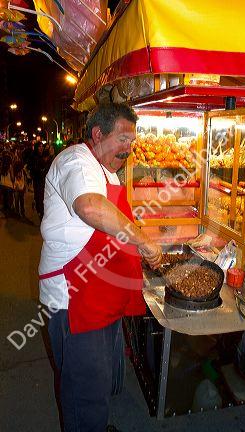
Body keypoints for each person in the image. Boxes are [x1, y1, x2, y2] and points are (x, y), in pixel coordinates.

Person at [39, 103, 162, 432]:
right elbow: (91, 207)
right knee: (84, 390)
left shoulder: (104, 170)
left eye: (131, 141)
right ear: (97, 134)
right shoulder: (77, 161)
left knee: (98, 380)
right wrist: (144, 241)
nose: (129, 147)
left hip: (99, 295)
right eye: (123, 138)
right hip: (76, 298)